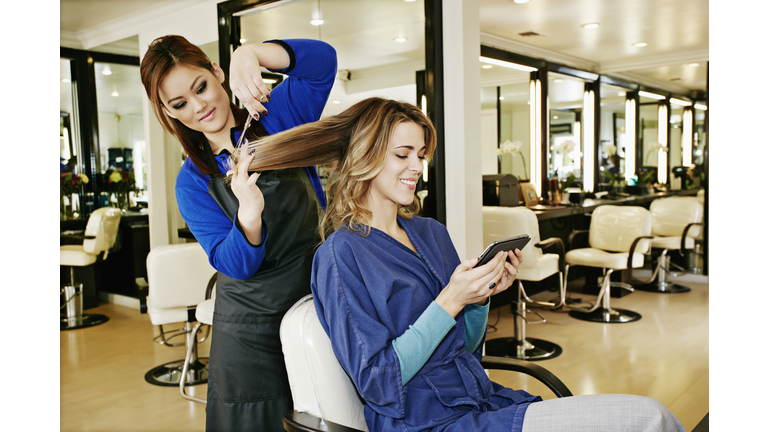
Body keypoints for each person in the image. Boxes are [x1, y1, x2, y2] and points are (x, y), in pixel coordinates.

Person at [233, 97, 686, 432]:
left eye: (422, 156)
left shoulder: (430, 232)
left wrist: (481, 298)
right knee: (650, 419)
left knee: (651, 418)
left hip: (479, 401)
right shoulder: (340, 256)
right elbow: (377, 381)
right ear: (365, 157)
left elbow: (465, 348)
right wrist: (450, 299)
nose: (417, 167)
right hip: (424, 423)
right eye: (403, 154)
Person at [139, 35, 337, 431]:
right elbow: (233, 265)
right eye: (180, 104)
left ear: (217, 73)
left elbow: (322, 62)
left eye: (201, 87)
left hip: (315, 299)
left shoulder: (278, 118)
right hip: (250, 328)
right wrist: (249, 215)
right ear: (168, 112)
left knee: (325, 412)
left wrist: (251, 53)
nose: (199, 106)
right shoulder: (192, 182)